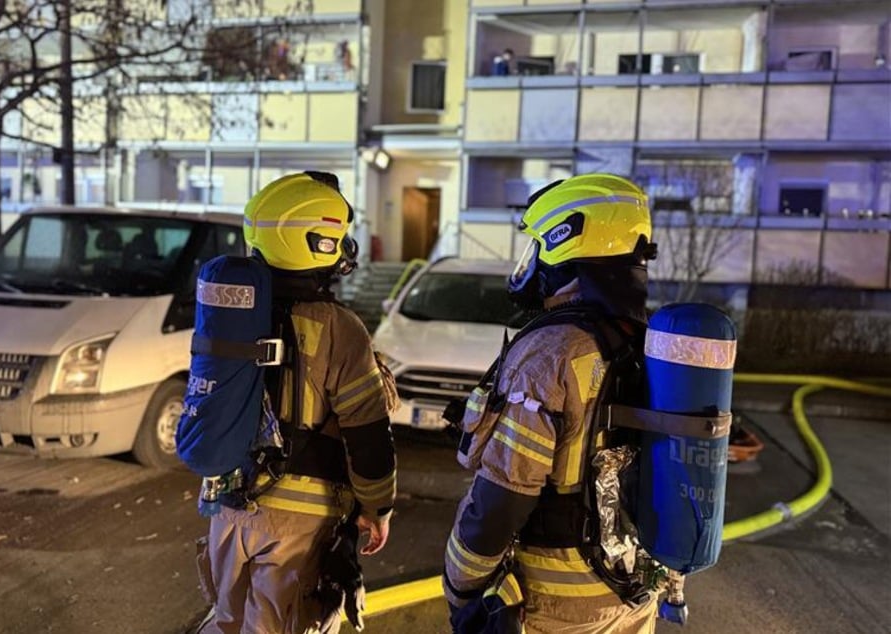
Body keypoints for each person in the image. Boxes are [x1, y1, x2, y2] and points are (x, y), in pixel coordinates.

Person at [443, 173, 660, 633]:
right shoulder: (651, 342)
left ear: (565, 246)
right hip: (633, 590)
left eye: (539, 246)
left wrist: (462, 586)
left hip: (557, 604)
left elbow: (504, 495)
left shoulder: (552, 352)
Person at [200, 171, 397, 634]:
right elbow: (368, 434)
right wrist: (378, 506)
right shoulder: (339, 328)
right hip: (298, 522)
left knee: (226, 623)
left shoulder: (229, 317)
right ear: (319, 245)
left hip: (228, 506)